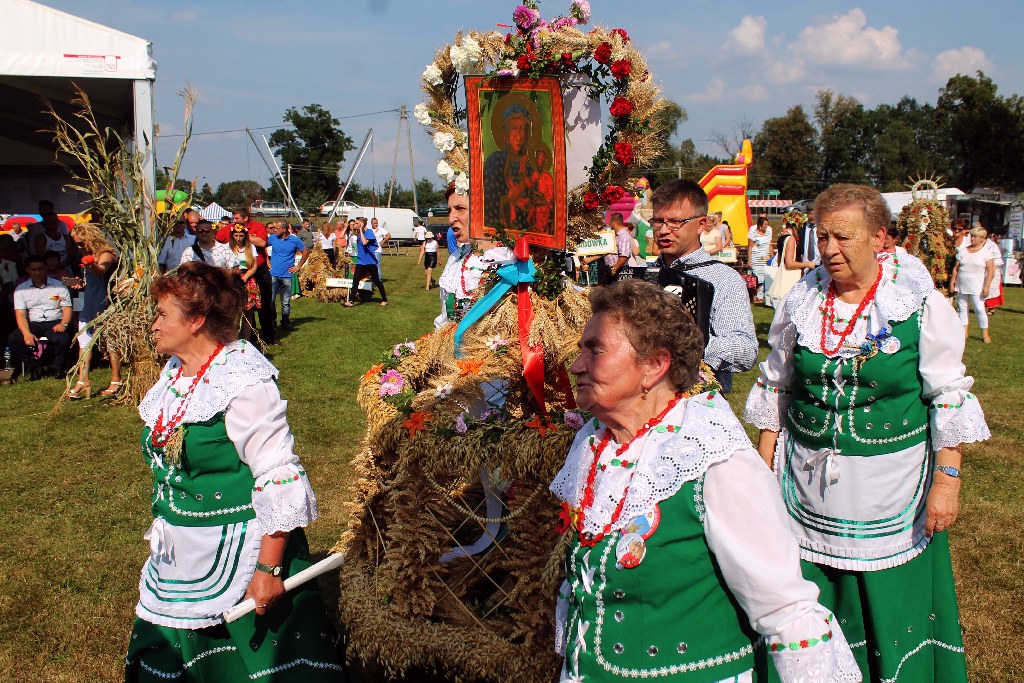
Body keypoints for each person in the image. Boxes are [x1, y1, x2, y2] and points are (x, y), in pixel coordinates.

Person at [552, 279, 859, 683]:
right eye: (581, 351)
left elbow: (785, 607)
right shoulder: (595, 444)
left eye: (596, 350)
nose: (576, 365)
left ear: (654, 366)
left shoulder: (712, 457)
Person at [744, 183, 990, 682]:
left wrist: (947, 481)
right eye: (823, 235)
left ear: (880, 237)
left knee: (888, 598)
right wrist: (762, 476)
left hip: (891, 485)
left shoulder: (915, 300)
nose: (830, 248)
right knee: (814, 596)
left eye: (843, 237)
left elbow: (947, 394)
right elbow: (776, 389)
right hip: (808, 486)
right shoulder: (804, 300)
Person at [124, 262, 344, 681]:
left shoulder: (242, 381)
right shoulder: (176, 373)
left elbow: (279, 475)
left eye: (162, 315)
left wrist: (268, 571)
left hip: (241, 548)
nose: (153, 325)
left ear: (197, 321)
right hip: (182, 546)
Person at [649, 179, 757, 393]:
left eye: (674, 222)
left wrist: (689, 344)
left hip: (698, 403)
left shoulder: (724, 278)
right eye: (658, 221)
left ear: (701, 224)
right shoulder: (643, 275)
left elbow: (746, 351)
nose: (663, 230)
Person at [67, 223, 123, 399]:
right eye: (76, 244)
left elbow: (101, 270)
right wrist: (73, 282)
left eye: (81, 243)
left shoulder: (105, 253)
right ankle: (83, 380)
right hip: (89, 301)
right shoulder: (85, 255)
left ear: (90, 239)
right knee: (84, 341)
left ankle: (116, 379)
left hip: (106, 303)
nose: (78, 247)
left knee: (110, 342)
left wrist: (90, 265)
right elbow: (87, 281)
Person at [8, 255, 72, 379]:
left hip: (55, 321)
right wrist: (26, 333)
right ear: (28, 270)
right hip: (34, 323)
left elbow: (67, 308)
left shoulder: (59, 286)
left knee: (62, 339)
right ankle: (35, 367)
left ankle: (59, 369)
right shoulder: (21, 290)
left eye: (40, 269)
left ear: (46, 268)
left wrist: (63, 324)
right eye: (34, 269)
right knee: (14, 339)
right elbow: (20, 314)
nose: (37, 272)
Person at [226, 208, 276, 345]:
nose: (234, 221)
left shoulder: (257, 227)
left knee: (265, 306)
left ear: (245, 218)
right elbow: (219, 238)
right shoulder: (230, 235)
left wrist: (246, 234)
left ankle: (269, 337)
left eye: (236, 219)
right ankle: (244, 339)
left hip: (258, 272)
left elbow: (262, 242)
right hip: (235, 277)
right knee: (238, 311)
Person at [483, 103, 535, 232]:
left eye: (522, 128)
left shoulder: (531, 163)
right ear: (505, 133)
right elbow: (489, 205)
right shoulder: (495, 161)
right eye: (513, 128)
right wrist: (508, 198)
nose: (518, 136)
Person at [950, 225, 995, 344]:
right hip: (962, 285)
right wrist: (952, 283)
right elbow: (955, 269)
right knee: (962, 309)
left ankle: (985, 334)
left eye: (975, 237)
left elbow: (991, 271)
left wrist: (987, 286)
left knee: (979, 309)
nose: (972, 239)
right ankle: (964, 332)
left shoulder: (986, 253)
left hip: (977, 287)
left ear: (982, 239)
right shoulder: (963, 251)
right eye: (972, 236)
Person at [267, 221, 308, 330]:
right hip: (273, 274)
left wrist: (298, 266)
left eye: (277, 228)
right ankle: (272, 321)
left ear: (284, 229)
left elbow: (305, 252)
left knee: (285, 302)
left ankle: (285, 321)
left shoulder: (294, 240)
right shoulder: (272, 238)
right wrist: (267, 261)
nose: (274, 230)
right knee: (271, 300)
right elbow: (261, 247)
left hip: (287, 275)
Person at [766, 220, 814, 307]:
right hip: (789, 281)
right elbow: (789, 263)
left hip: (782, 279)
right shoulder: (790, 239)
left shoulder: (782, 237)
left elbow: (781, 260)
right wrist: (807, 264)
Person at [228, 225, 262, 344]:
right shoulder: (228, 247)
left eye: (241, 236)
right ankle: (233, 340)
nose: (238, 238)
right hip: (232, 280)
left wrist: (246, 276)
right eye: (236, 236)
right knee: (234, 312)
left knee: (248, 313)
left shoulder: (251, 247)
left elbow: (254, 266)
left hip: (247, 280)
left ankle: (246, 341)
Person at [344, 217, 388, 308]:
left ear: (361, 224)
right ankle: (351, 301)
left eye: (357, 223)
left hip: (370, 262)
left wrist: (360, 229)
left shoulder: (369, 232)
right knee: (355, 280)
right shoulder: (358, 233)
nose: (355, 225)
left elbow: (364, 243)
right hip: (361, 261)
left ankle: (384, 299)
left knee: (377, 281)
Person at [747, 215, 773, 303]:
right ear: (760, 225)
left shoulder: (769, 232)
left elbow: (770, 246)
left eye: (767, 225)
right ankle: (754, 295)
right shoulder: (753, 233)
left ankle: (760, 296)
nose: (766, 227)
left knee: (764, 278)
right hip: (756, 258)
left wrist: (772, 258)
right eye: (765, 225)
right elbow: (750, 247)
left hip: (765, 258)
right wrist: (749, 260)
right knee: (756, 278)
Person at [603, 213, 632, 283]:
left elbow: (624, 256)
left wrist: (614, 268)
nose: (609, 224)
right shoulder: (616, 235)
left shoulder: (624, 236)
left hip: (619, 270)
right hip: (613, 270)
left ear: (613, 222)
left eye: (610, 222)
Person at [420, 226, 439, 291]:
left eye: (429, 238)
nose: (428, 239)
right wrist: (419, 260)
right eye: (427, 238)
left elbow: (438, 252)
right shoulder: (425, 243)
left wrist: (440, 260)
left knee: (429, 271)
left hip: (433, 257)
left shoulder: (435, 242)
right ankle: (432, 281)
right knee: (427, 273)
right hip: (427, 257)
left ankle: (427, 287)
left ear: (432, 237)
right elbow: (422, 251)